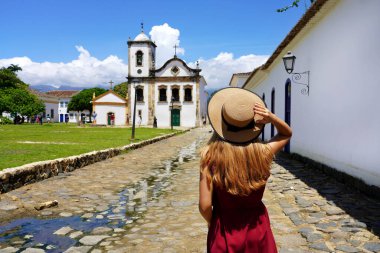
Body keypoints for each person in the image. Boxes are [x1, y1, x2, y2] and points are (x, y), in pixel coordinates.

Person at [199, 87, 292, 253]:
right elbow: (286, 134)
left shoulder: (210, 157)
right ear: (252, 125)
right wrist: (271, 117)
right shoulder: (262, 153)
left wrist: (213, 223)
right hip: (257, 227)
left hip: (224, 230)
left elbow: (205, 206)